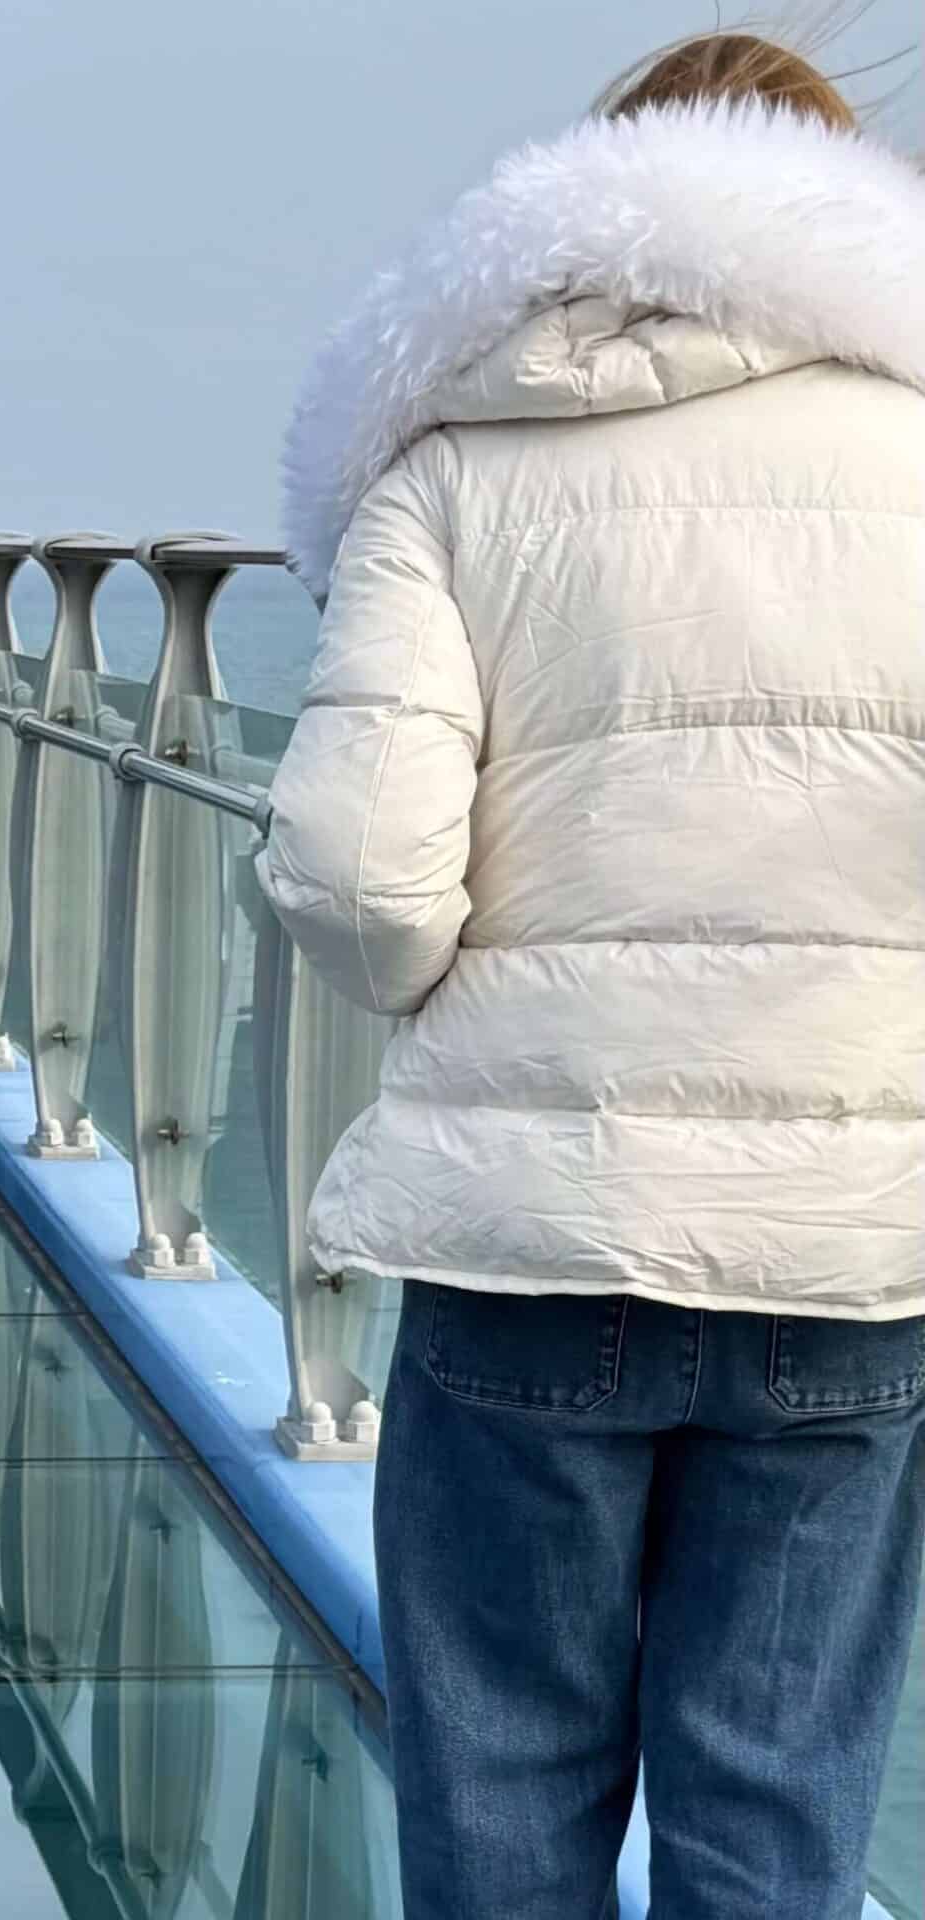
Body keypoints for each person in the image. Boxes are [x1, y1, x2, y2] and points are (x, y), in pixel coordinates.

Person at [257, 35, 925, 1918]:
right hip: (849, 1252)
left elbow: (360, 875)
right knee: (776, 1818)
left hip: (527, 1246)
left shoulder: (453, 467)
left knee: (502, 1815)